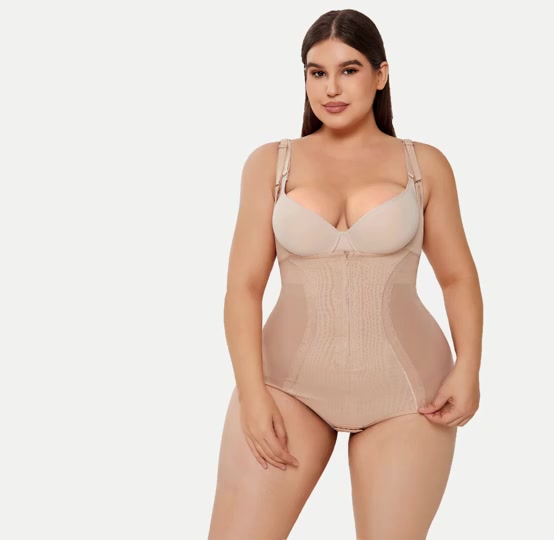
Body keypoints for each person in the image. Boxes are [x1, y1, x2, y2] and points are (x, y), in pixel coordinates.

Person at [208, 9, 483, 540]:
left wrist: (468, 366)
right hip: (286, 387)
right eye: (317, 72)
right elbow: (243, 288)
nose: (331, 88)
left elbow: (457, 278)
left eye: (349, 70)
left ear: (381, 75)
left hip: (409, 395)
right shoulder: (271, 164)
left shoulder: (424, 164)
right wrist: (251, 394)